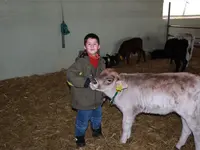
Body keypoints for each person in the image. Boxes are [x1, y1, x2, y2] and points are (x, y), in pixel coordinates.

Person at [66, 33, 106, 148]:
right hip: (84, 99)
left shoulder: (102, 62)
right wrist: (86, 82)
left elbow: (103, 79)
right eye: (89, 44)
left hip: (98, 98)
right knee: (82, 121)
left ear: (99, 46)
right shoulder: (81, 62)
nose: (92, 46)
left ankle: (96, 130)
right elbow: (70, 74)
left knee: (97, 117)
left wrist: (104, 94)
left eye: (95, 44)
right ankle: (79, 137)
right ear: (85, 46)